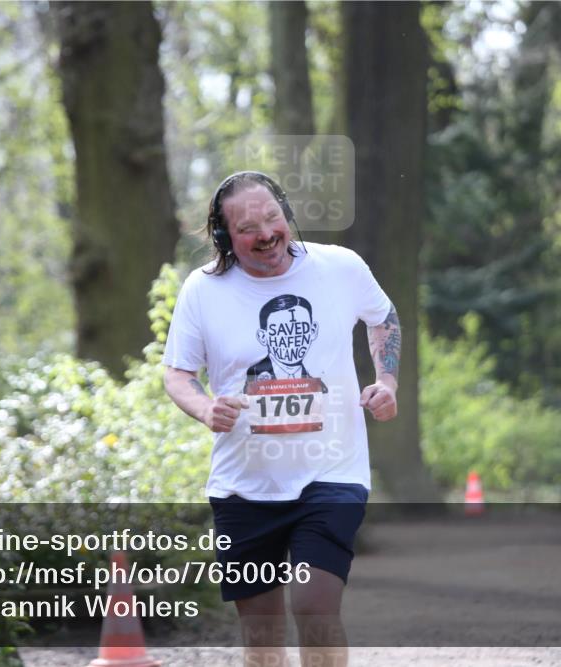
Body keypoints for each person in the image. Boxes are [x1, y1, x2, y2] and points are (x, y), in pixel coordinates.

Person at [162, 171, 401, 667]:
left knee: (314, 606)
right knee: (262, 634)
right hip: (243, 485)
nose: (266, 233)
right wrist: (206, 407)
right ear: (226, 236)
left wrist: (387, 381)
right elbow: (178, 374)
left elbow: (383, 317)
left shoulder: (339, 267)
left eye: (273, 217)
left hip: (331, 474)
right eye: (248, 227)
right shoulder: (203, 290)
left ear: (286, 214)